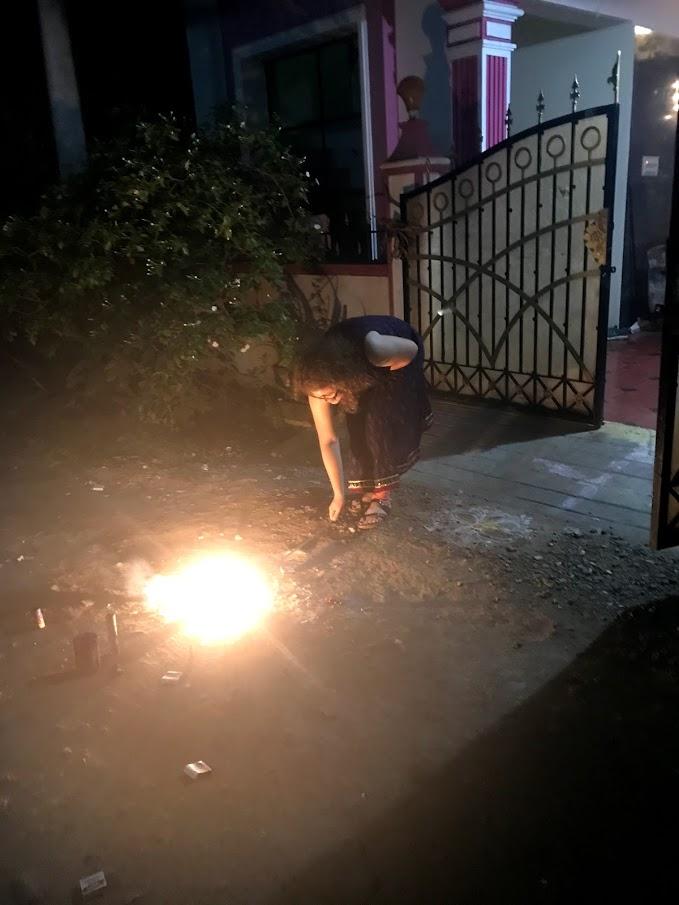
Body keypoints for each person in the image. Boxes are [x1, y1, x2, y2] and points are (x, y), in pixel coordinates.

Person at [294, 315, 433, 529]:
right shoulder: (316, 382)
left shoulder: (376, 349)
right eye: (323, 397)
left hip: (399, 355)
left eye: (332, 394)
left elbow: (411, 351)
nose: (330, 401)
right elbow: (328, 440)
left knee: (380, 423)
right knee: (357, 422)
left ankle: (382, 496)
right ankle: (369, 487)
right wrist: (338, 495)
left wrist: (391, 394)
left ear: (341, 377)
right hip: (357, 369)